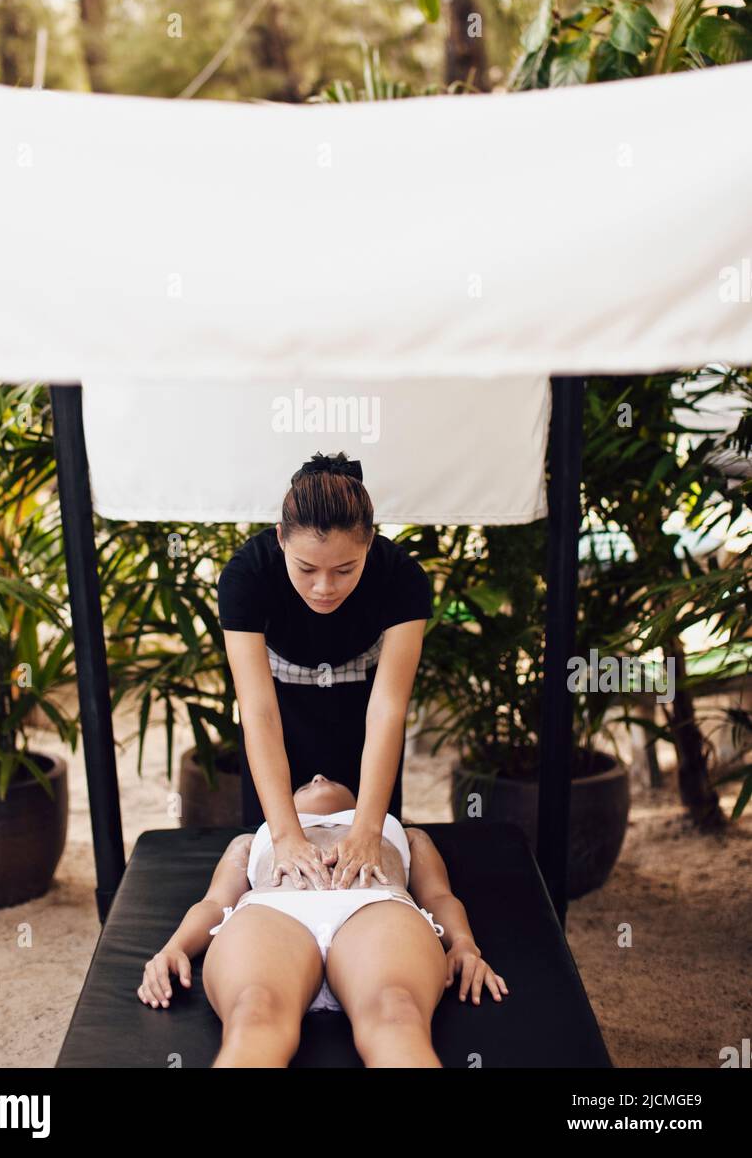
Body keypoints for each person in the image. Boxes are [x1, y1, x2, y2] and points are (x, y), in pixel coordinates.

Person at [137, 773, 508, 1067]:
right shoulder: (252, 841)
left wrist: (462, 943)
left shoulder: (406, 834)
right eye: (304, 783)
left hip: (375, 907)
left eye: (328, 779)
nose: (317, 777)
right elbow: (215, 903)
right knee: (254, 1012)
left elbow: (440, 896)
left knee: (397, 1012)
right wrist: (174, 947)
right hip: (274, 912)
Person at [217, 449, 433, 895]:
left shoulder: (402, 579)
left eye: (344, 569)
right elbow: (258, 712)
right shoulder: (246, 576)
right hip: (279, 717)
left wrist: (369, 829)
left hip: (363, 722)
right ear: (280, 538)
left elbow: (388, 709)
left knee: (372, 871)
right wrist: (285, 835)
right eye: (306, 568)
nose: (323, 587)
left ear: (369, 541)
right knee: (273, 875)